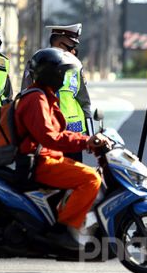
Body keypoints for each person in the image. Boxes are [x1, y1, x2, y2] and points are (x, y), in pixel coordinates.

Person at [15, 47, 109, 250]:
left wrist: (87, 139)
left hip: (47, 157)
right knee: (91, 179)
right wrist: (84, 142)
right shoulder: (37, 100)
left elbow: (58, 133)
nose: (64, 78)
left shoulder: (45, 96)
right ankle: (63, 231)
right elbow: (50, 137)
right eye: (62, 73)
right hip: (40, 161)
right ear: (52, 75)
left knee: (89, 175)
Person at [22, 24, 91, 162]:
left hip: (72, 134)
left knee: (75, 176)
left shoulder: (75, 65)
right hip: (46, 133)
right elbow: (26, 94)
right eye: (71, 46)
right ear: (59, 42)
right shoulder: (38, 62)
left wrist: (89, 132)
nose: (73, 50)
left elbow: (84, 100)